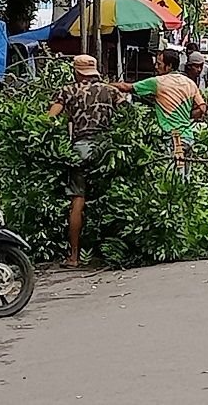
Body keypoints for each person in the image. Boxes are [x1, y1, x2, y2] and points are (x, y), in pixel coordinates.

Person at [48, 55, 121, 268]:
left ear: (76, 72)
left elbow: (49, 119)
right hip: (106, 150)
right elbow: (129, 116)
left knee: (77, 201)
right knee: (110, 198)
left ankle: (74, 256)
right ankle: (111, 252)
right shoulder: (111, 90)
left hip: (79, 149)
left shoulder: (67, 91)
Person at [117, 48, 207, 177]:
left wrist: (104, 85)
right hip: (188, 137)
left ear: (169, 66)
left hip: (174, 140)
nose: (156, 67)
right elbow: (202, 108)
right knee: (185, 180)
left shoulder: (158, 82)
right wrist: (187, 116)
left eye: (159, 64)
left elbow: (127, 87)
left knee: (171, 180)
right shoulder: (190, 83)